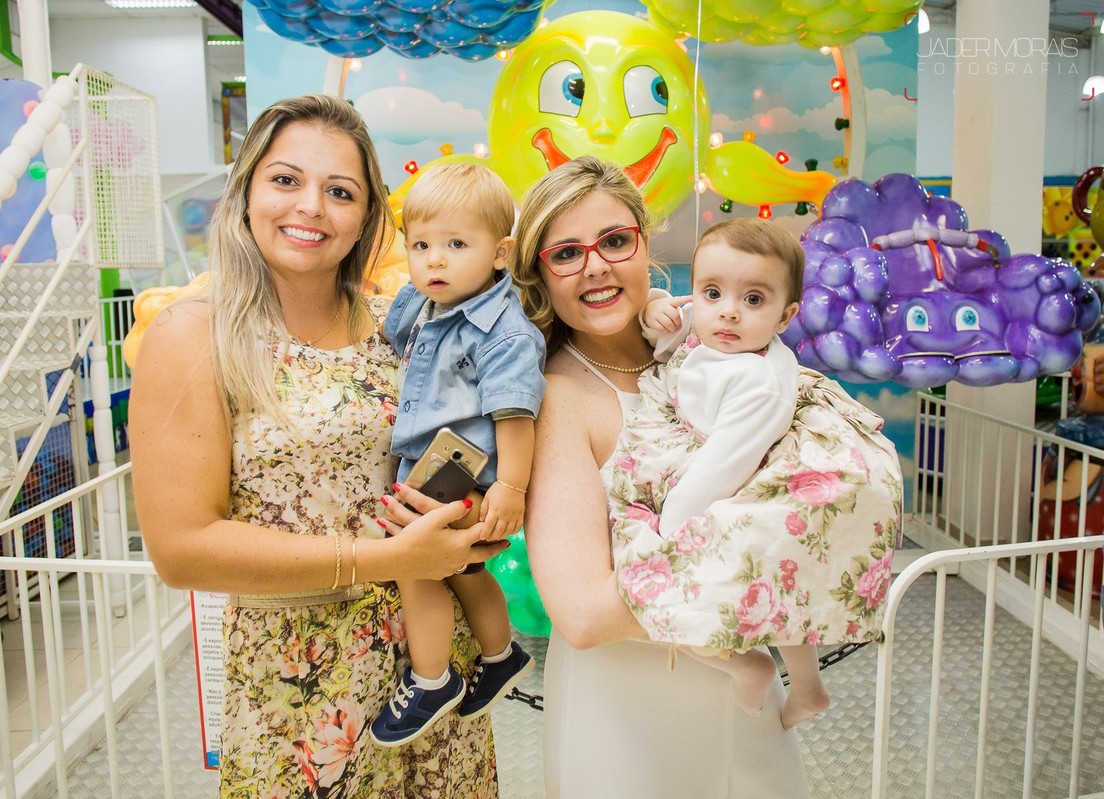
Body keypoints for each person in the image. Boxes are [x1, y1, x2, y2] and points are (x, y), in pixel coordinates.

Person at [129, 94, 506, 798]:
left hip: (433, 679)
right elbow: (181, 549)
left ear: (366, 216)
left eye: (340, 192)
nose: (311, 206)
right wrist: (389, 559)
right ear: (247, 191)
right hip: (301, 689)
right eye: (285, 180)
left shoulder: (406, 327)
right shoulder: (194, 336)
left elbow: (474, 433)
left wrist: (474, 513)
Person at [506, 155, 898, 796]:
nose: (596, 266)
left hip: (748, 695)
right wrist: (767, 565)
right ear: (540, 273)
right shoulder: (557, 399)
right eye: (567, 253)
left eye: (613, 241)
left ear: (643, 242)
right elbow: (581, 614)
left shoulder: (708, 337)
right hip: (629, 713)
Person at [625, 217, 827, 728]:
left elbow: (722, 466)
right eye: (711, 292)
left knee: (652, 579)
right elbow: (666, 324)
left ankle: (748, 667)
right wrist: (654, 309)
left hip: (735, 481)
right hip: (715, 458)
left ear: (786, 315)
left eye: (754, 299)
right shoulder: (712, 326)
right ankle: (806, 686)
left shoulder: (759, 382)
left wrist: (669, 531)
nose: (728, 311)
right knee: (777, 577)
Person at [371, 162, 543, 746]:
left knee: (414, 568)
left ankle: (432, 679)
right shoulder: (420, 305)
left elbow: (515, 414)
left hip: (458, 470)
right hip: (429, 464)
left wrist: (511, 487)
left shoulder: (504, 332)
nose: (434, 261)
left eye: (455, 245)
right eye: (421, 245)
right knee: (466, 571)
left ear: (499, 253)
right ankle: (500, 655)